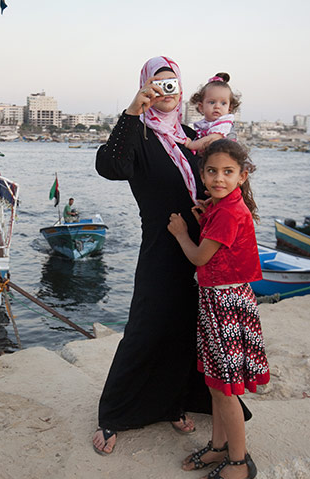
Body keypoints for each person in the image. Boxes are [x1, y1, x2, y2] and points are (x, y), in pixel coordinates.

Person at [93, 55, 239, 456]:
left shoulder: (192, 135)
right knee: (147, 325)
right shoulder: (138, 135)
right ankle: (115, 413)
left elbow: (220, 178)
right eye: (157, 84)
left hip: (201, 244)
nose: (165, 91)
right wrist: (131, 110)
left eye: (171, 82)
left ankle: (173, 403)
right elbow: (110, 166)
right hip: (162, 242)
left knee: (187, 328)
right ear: (145, 87)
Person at [167, 139, 269, 479]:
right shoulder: (221, 207)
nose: (218, 179)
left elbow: (199, 257)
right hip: (216, 302)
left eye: (228, 172)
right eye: (212, 171)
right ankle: (218, 445)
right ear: (202, 173)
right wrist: (205, 214)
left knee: (226, 388)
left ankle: (240, 462)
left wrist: (183, 233)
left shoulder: (228, 212)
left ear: (242, 176)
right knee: (216, 383)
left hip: (226, 305)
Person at [184, 73, 240, 153]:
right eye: (212, 102)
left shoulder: (224, 123)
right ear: (201, 107)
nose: (217, 106)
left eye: (223, 103)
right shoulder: (207, 124)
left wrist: (191, 145)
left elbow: (213, 138)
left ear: (229, 109)